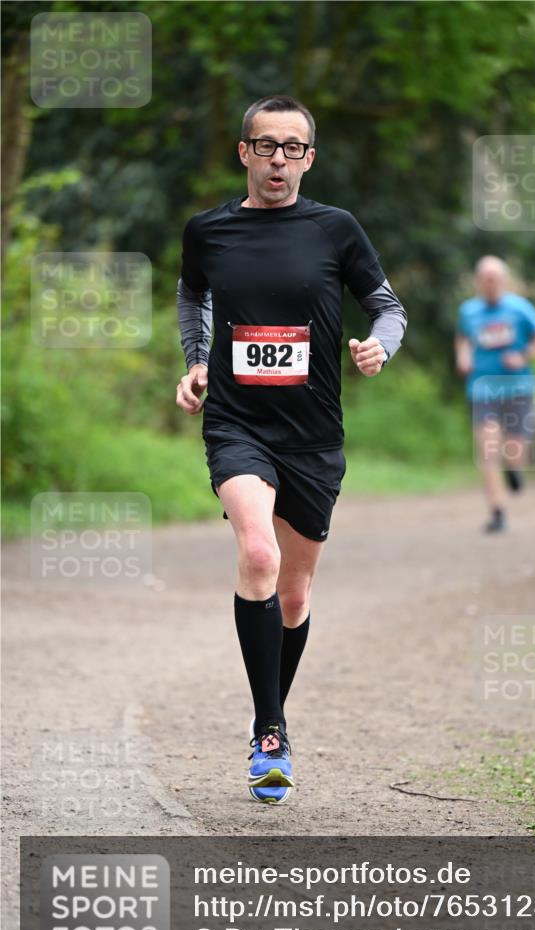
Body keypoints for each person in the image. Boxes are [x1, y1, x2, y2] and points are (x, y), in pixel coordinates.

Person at [175, 95, 407, 804]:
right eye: (266, 145)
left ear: (309, 157)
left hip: (312, 435)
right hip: (237, 423)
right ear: (243, 152)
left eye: (293, 148)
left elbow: (387, 306)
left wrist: (379, 346)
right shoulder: (208, 231)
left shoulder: (335, 229)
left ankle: (266, 711)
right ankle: (270, 733)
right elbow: (192, 300)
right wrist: (195, 359)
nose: (279, 159)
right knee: (257, 556)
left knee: (296, 593)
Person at [455, 256, 535, 533]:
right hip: (482, 389)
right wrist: (463, 356)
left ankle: (514, 468)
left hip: (518, 387)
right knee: (487, 446)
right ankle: (497, 511)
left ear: (504, 280)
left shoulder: (520, 308)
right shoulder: (469, 311)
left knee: (514, 447)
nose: (490, 282)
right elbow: (462, 337)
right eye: (485, 277)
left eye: (495, 277)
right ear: (478, 281)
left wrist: (523, 356)